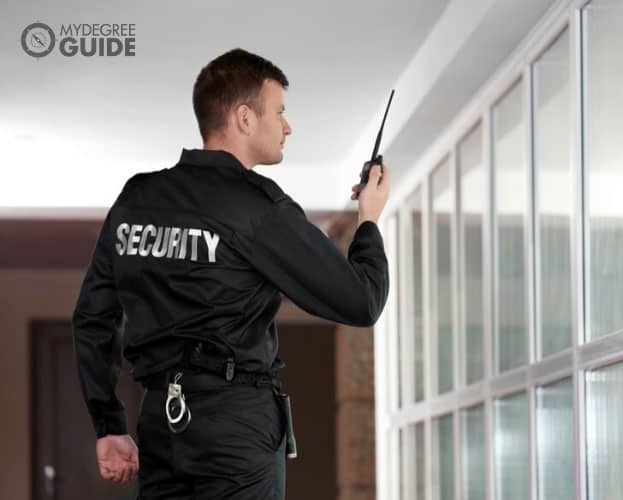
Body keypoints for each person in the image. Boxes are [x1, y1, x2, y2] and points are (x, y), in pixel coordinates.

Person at [71, 48, 390, 499]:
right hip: (236, 428)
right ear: (244, 117)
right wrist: (369, 220)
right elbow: (362, 300)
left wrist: (109, 425)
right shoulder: (256, 207)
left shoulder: (136, 198)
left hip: (159, 422)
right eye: (279, 111)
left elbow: (92, 318)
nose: (287, 125)